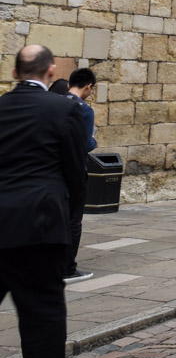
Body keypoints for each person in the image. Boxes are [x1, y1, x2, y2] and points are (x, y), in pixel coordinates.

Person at [0, 45, 87, 358]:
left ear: (14, 74)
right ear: (51, 71)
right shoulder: (64, 110)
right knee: (42, 320)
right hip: (40, 228)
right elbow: (76, 173)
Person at [62, 68, 98, 283]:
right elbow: (86, 144)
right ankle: (68, 267)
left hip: (53, 171)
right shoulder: (84, 110)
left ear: (69, 85)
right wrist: (94, 140)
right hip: (75, 171)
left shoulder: (55, 102)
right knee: (74, 220)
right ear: (88, 87)